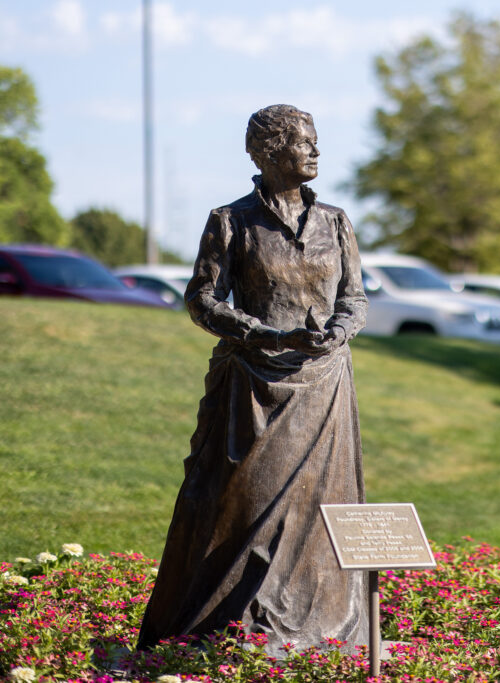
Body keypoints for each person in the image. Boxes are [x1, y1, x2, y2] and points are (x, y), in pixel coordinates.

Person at [137, 105, 369, 654]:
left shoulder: (335, 221)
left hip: (325, 384)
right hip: (252, 387)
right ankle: (230, 627)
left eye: (314, 141)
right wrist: (264, 333)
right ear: (269, 152)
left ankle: (318, 630)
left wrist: (338, 331)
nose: (315, 151)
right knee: (240, 506)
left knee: (319, 506)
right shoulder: (231, 220)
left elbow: (354, 299)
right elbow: (202, 299)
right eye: (304, 142)